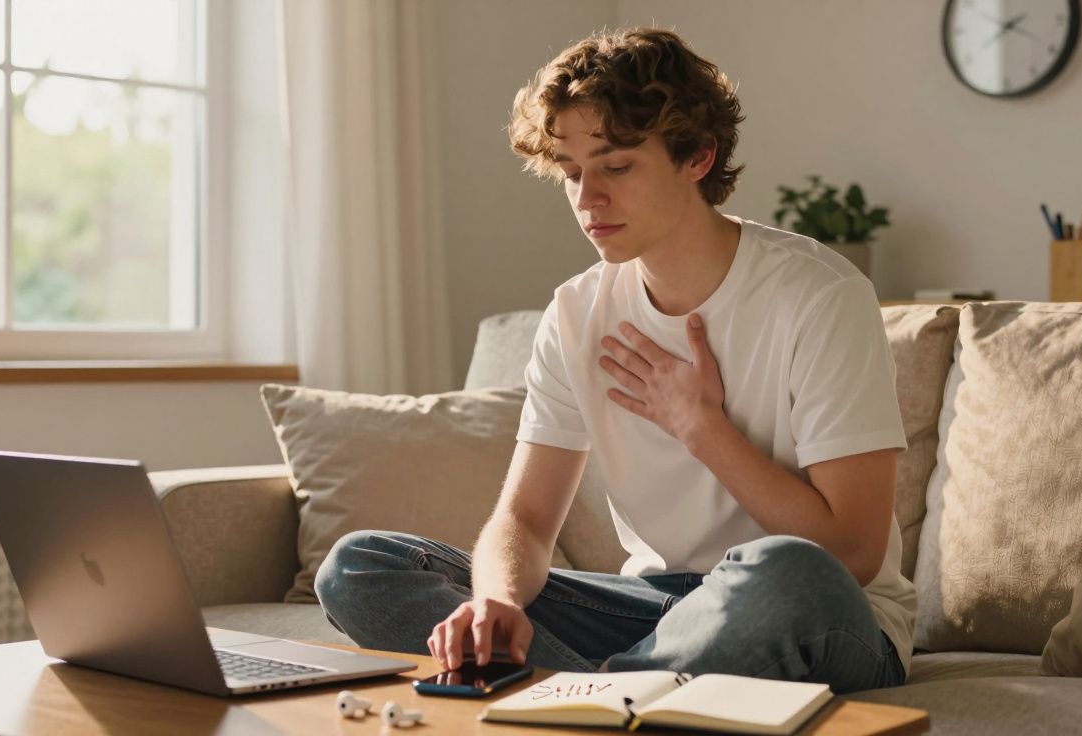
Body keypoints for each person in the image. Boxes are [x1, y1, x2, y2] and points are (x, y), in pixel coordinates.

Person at [315, 27, 915, 694]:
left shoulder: (820, 296)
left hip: (823, 615)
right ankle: (608, 694)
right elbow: (526, 520)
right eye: (571, 173)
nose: (586, 198)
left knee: (785, 570)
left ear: (697, 156)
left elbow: (852, 553)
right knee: (360, 565)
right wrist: (500, 603)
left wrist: (701, 427)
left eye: (616, 167)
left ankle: (584, 696)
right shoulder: (575, 313)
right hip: (655, 610)